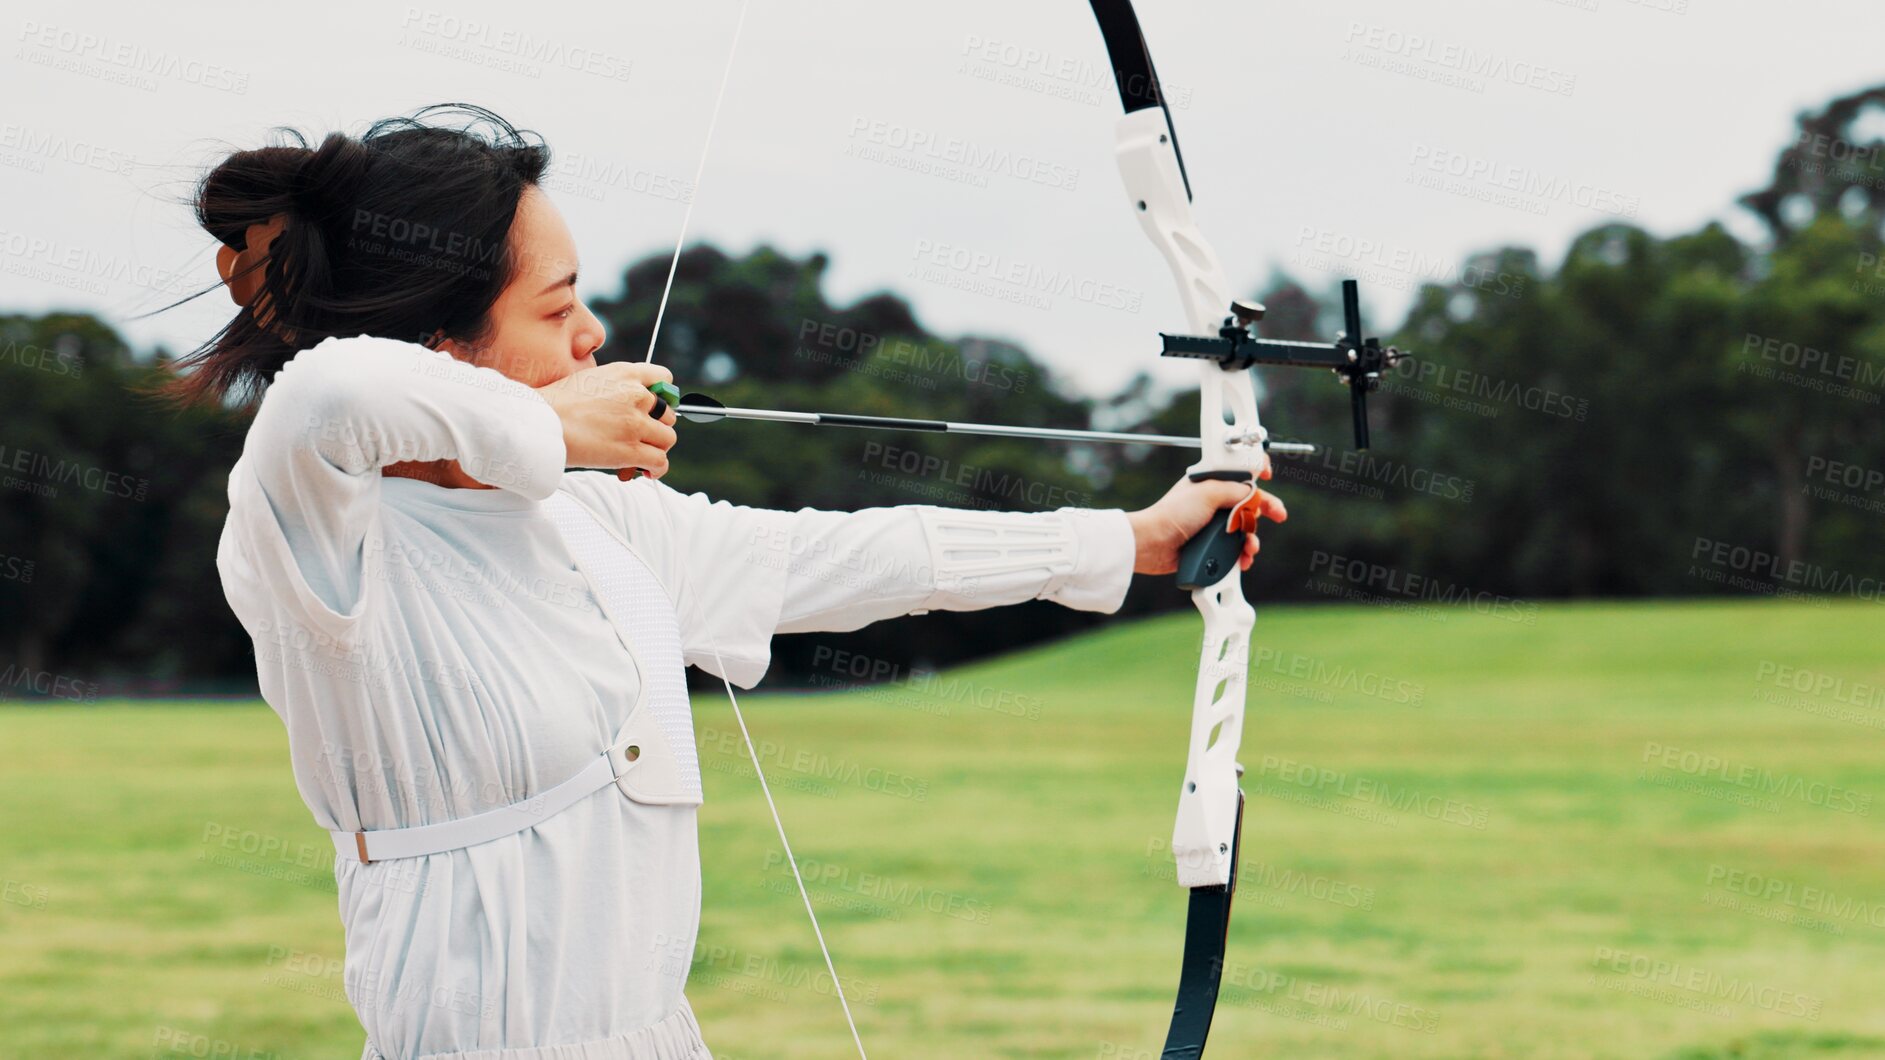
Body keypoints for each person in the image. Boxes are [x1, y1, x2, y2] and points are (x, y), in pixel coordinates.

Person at [169, 104, 1284, 1060]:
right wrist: (542, 423)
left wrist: (1133, 538)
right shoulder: (322, 535)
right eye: (555, 311)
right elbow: (329, 396)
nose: (593, 334)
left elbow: (861, 556)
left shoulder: (589, 518)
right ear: (441, 345)